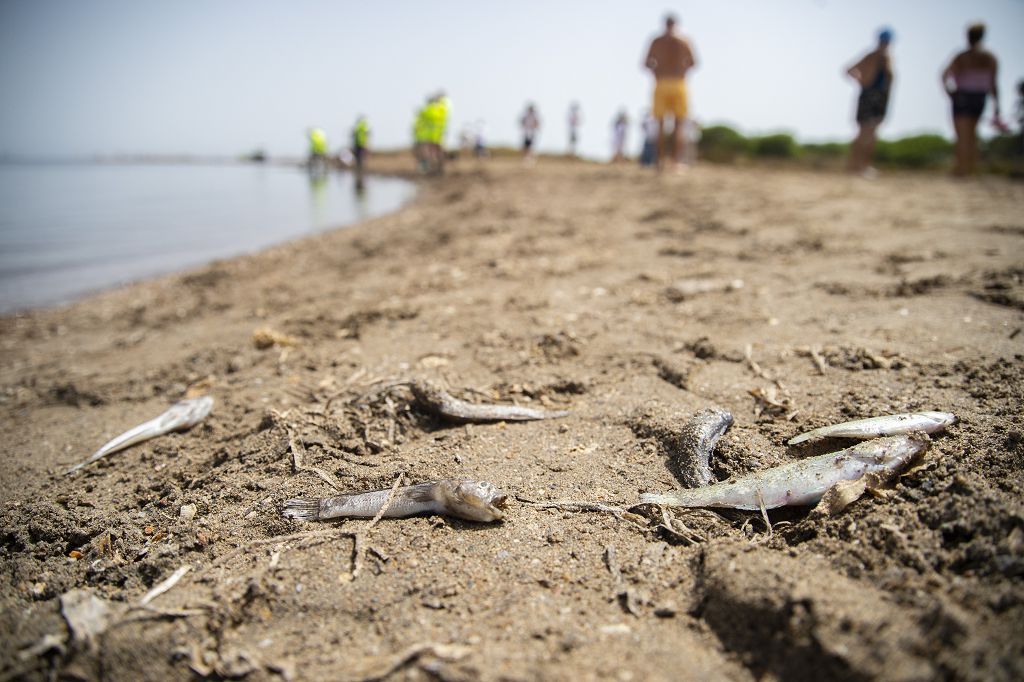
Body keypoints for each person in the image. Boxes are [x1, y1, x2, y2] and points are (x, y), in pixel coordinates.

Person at [942, 23, 1001, 175]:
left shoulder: (962, 56)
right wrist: (997, 105)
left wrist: (950, 92)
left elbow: (944, 75)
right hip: (980, 97)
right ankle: (970, 169)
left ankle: (960, 169)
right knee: (972, 134)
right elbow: (994, 83)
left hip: (962, 96)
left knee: (962, 135)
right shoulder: (990, 58)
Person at [643, 14, 696, 171]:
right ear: (675, 24)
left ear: (664, 24)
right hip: (679, 82)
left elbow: (646, 62)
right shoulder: (684, 40)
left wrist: (656, 74)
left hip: (661, 83)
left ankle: (659, 161)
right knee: (678, 124)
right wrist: (682, 72)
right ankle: (675, 162)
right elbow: (693, 62)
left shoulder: (657, 41)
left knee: (659, 123)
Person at [845, 28, 894, 177]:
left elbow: (849, 70)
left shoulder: (870, 56)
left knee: (862, 131)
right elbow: (889, 79)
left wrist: (862, 81)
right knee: (870, 132)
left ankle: (854, 165)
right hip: (876, 96)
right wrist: (865, 82)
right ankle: (862, 166)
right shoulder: (883, 57)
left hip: (867, 94)